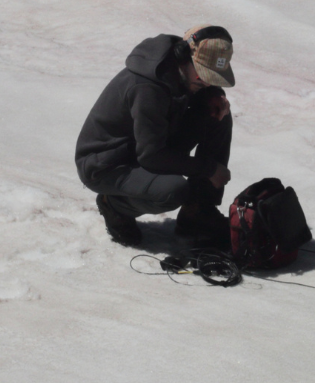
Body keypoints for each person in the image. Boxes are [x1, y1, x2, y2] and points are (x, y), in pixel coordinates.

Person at [75, 24, 235, 248]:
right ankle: (115, 205)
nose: (206, 81)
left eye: (212, 77)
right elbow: (152, 156)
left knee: (217, 116)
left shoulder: (179, 71)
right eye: (203, 74)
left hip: (147, 145)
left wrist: (215, 94)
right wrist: (208, 169)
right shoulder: (147, 88)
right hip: (108, 164)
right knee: (172, 191)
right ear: (183, 57)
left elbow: (152, 148)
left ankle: (198, 213)